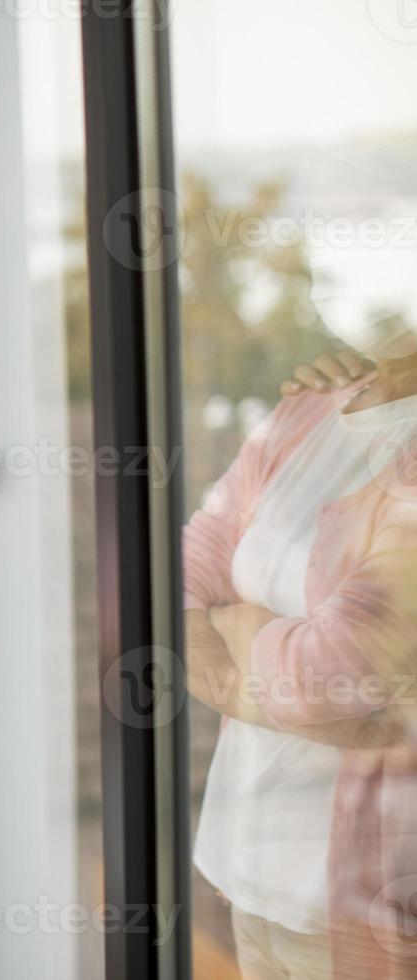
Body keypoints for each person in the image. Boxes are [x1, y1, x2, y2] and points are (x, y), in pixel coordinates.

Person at [184, 268, 417, 978]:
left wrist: (229, 630)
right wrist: (245, 648)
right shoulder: (311, 408)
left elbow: (332, 674)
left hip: (357, 900)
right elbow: (188, 565)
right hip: (245, 862)